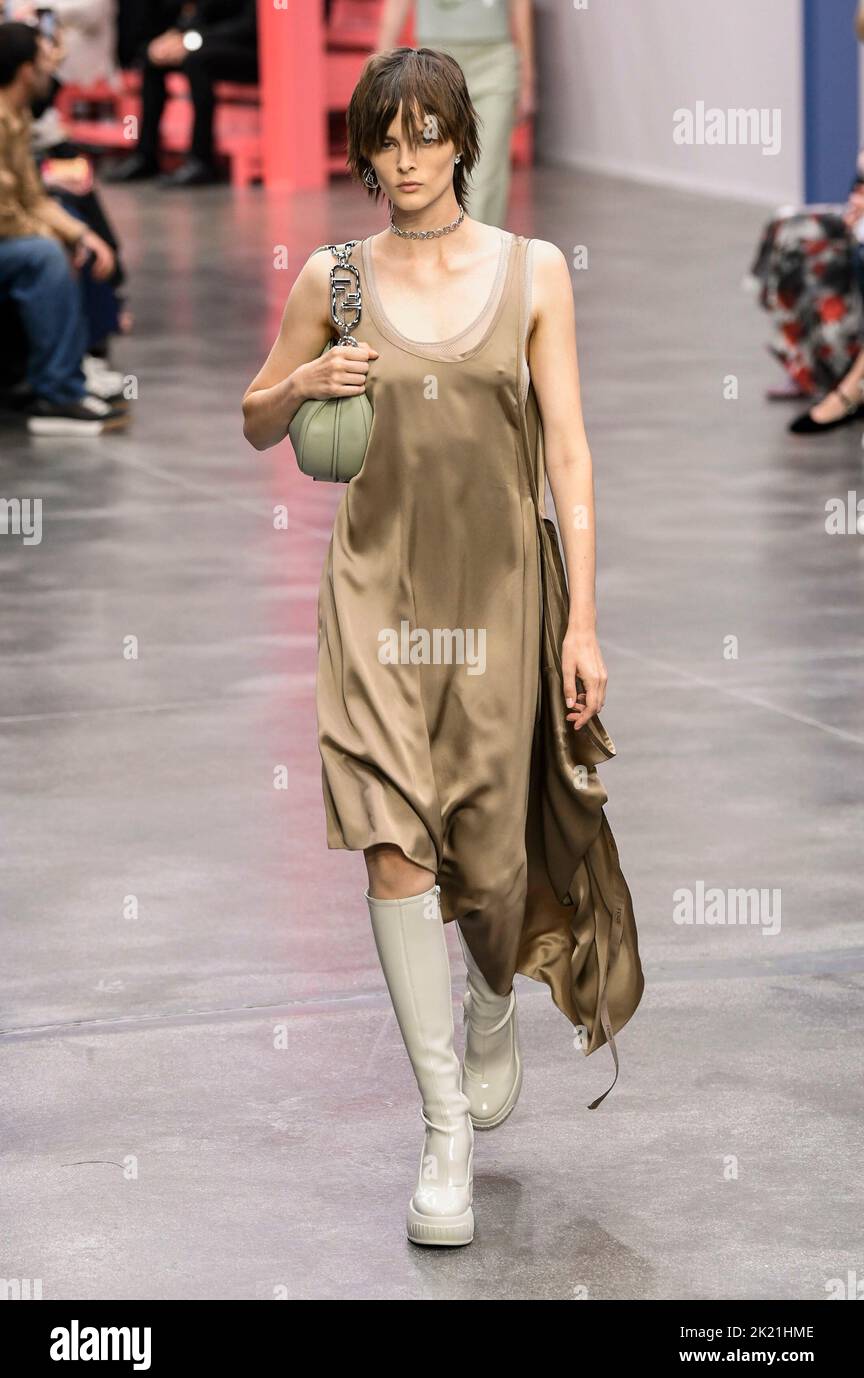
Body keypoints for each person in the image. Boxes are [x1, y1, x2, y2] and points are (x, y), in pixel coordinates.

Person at [242, 46, 643, 1247]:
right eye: (385, 138)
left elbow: (567, 451)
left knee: (490, 863)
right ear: (362, 150)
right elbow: (259, 415)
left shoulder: (532, 274)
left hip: (500, 601)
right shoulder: (336, 276)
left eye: (427, 134)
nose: (406, 159)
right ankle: (443, 1137)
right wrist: (308, 371)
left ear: (463, 140)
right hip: (372, 598)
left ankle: (489, 993)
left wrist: (581, 620)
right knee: (388, 845)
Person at [0, 21, 126, 433]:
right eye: (42, 62)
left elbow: (32, 196)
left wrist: (80, 236)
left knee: (74, 221)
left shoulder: (14, 113)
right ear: (24, 71)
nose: (49, 72)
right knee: (44, 255)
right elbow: (4, 213)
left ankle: (76, 362)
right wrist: (53, 236)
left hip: (10, 228)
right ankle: (57, 391)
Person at [377, 0, 534, 229]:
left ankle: (477, 255)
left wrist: (527, 77)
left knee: (485, 174)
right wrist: (379, 76)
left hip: (494, 63)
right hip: (434, 66)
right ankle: (441, 251)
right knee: (433, 169)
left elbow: (520, 4)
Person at [106, 0, 258, 187]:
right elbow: (198, 17)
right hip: (207, 44)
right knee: (153, 61)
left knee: (197, 62)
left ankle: (201, 161)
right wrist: (173, 38)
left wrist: (192, 40)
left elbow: (248, 26)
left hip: (248, 50)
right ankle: (145, 156)